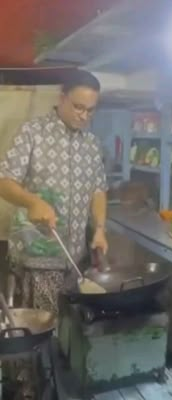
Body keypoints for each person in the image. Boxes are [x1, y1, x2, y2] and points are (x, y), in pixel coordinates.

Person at [0, 69, 108, 314]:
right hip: (37, 255)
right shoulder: (32, 132)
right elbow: (4, 181)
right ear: (61, 98)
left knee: (69, 327)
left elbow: (99, 189)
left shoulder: (91, 144)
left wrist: (100, 229)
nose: (83, 116)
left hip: (74, 259)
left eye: (90, 110)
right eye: (78, 107)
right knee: (41, 327)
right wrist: (31, 202)